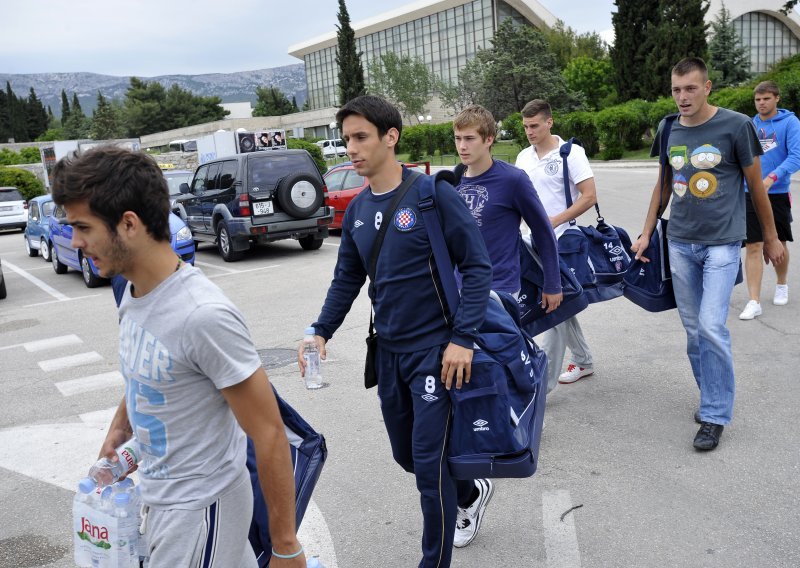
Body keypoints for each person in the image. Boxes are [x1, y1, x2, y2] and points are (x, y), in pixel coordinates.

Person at [51, 146, 305, 567]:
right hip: (164, 499)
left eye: (83, 227)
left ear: (128, 224)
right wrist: (120, 427)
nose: (76, 242)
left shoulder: (202, 314)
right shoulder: (133, 291)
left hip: (201, 508)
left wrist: (285, 546)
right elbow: (146, 369)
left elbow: (269, 432)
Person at [298, 95, 494, 565]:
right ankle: (468, 489)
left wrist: (462, 339)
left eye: (361, 137)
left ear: (391, 137)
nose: (351, 148)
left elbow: (478, 265)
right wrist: (320, 329)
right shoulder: (360, 209)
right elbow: (347, 277)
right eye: (346, 139)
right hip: (388, 353)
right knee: (406, 456)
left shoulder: (431, 194)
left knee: (428, 469)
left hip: (436, 353)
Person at [631, 57, 785, 451]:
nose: (682, 97)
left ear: (708, 87)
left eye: (690, 89)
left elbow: (756, 185)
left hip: (721, 244)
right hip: (679, 244)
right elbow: (663, 185)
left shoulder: (736, 125)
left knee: (713, 327)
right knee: (694, 332)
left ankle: (715, 415)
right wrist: (647, 231)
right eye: (676, 90)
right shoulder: (668, 128)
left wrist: (770, 237)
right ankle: (710, 397)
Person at [515, 99, 599, 393]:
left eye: (534, 125)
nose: (529, 131)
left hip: (563, 240)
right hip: (532, 242)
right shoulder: (523, 157)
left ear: (549, 122)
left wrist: (554, 221)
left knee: (552, 307)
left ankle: (541, 387)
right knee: (561, 304)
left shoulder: (571, 153)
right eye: (525, 126)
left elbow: (589, 196)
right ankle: (585, 361)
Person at [452, 104, 562, 305]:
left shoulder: (513, 180)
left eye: (469, 139)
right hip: (458, 287)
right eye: (458, 138)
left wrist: (553, 284)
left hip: (499, 288)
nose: (462, 146)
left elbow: (542, 231)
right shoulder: (452, 180)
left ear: (488, 139)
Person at [738, 80, 800, 320]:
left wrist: (772, 178)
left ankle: (781, 283)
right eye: (758, 99)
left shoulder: (790, 123)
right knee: (753, 245)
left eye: (766, 98)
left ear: (777, 98)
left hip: (776, 194)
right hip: (749, 193)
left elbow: (796, 156)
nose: (761, 103)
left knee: (778, 242)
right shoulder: (749, 124)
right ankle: (754, 300)